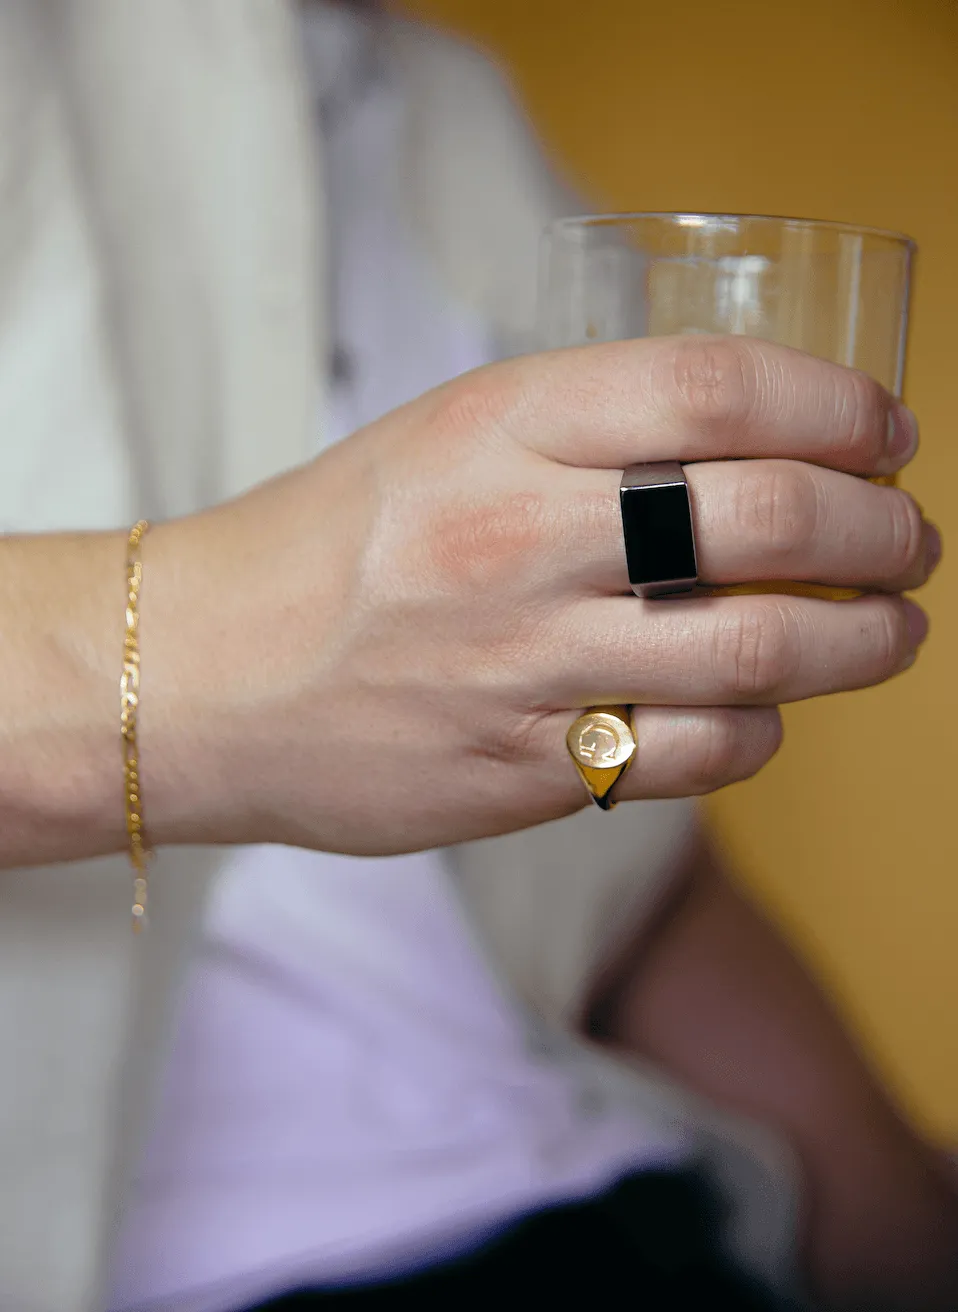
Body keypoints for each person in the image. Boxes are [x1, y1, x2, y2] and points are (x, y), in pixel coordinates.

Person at [0, 3, 954, 1311]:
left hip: (616, 1196)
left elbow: (615, 870)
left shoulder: (461, 122)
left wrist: (902, 1223)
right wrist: (218, 663)